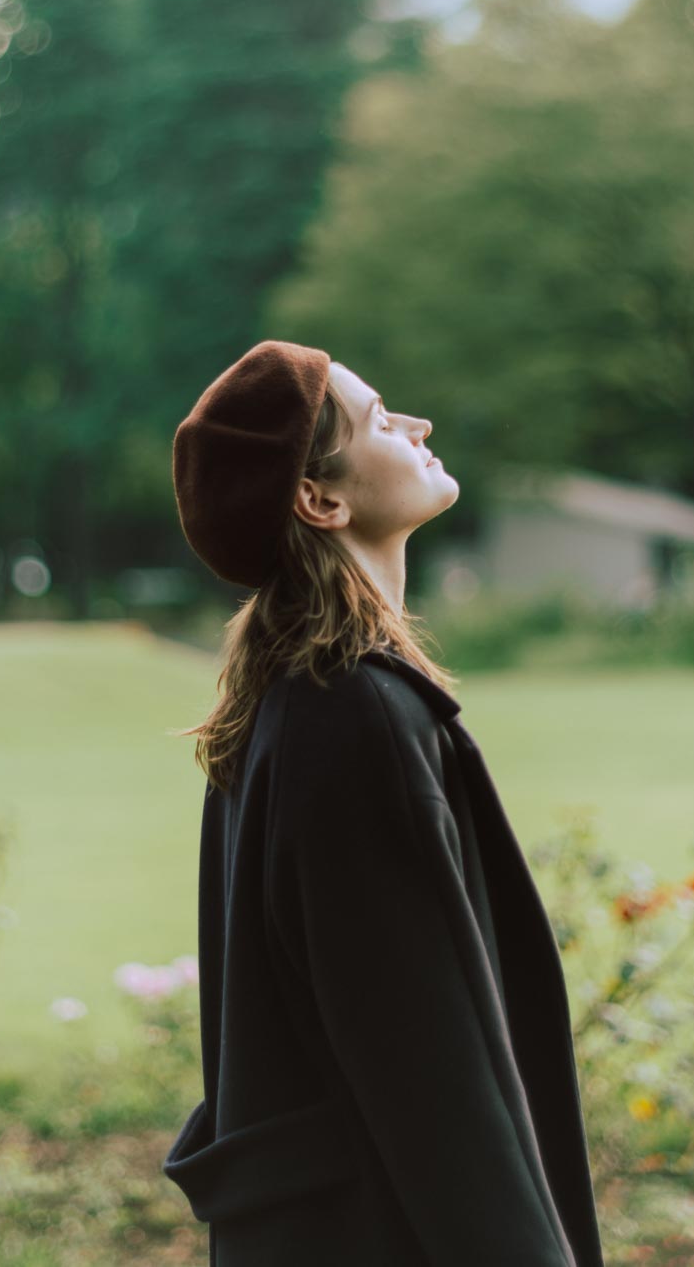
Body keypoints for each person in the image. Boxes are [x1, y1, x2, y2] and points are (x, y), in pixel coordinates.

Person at [162, 339, 606, 1267]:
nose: (417, 426)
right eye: (377, 420)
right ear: (321, 500)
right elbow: (430, 1066)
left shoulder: (297, 697)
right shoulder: (350, 713)